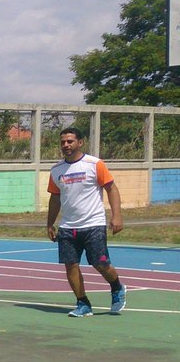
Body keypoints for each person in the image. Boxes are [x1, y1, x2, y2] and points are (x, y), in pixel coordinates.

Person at [46, 127, 127, 317]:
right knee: (70, 265)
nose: (66, 145)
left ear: (80, 143)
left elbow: (111, 189)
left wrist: (117, 215)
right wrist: (50, 223)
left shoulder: (94, 164)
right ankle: (83, 303)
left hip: (94, 224)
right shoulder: (57, 170)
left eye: (70, 141)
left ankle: (117, 287)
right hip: (68, 227)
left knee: (100, 264)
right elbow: (55, 198)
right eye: (63, 142)